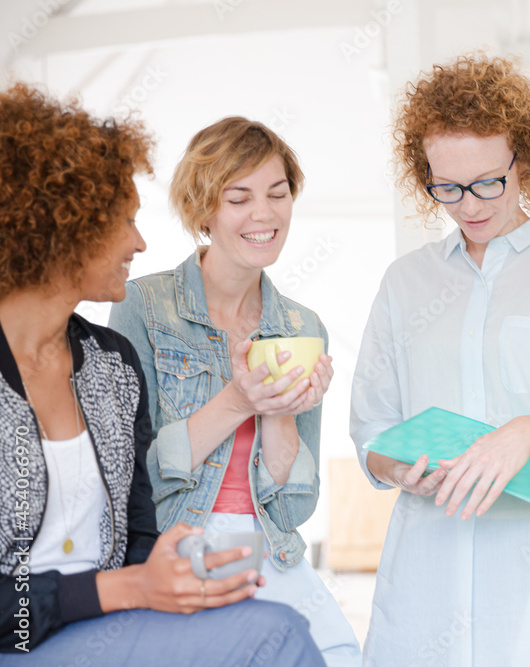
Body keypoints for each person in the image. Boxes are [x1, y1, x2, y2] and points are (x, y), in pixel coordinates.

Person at [0, 82, 324, 665]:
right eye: (121, 220)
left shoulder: (107, 364)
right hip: (29, 633)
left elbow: (139, 530)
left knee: (291, 633)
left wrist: (161, 582)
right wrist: (121, 591)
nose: (141, 241)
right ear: (56, 229)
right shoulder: (146, 309)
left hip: (112, 618)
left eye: (277, 193)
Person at [350, 53, 530, 666]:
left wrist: (526, 433)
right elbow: (370, 432)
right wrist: (403, 471)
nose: (470, 205)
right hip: (426, 585)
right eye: (447, 188)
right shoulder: (405, 284)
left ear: (524, 161)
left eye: (488, 182)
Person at [108, 117, 362, 666]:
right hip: (177, 545)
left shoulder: (302, 325)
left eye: (278, 193)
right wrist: (239, 402)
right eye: (239, 198)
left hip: (269, 547)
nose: (264, 214)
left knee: (339, 653)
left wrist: (283, 413)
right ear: (204, 210)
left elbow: (294, 507)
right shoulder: (143, 306)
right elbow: (131, 481)